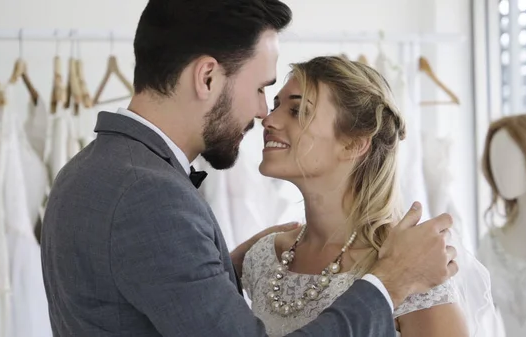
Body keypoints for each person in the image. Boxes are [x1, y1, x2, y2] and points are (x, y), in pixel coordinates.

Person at [40, 1, 458, 336]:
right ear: (207, 78)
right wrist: (390, 281)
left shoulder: (85, 171)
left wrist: (222, 262)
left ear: (355, 142)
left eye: (295, 109)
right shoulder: (150, 196)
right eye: (262, 90)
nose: (264, 114)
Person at [242, 56, 496, 337]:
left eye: (297, 110)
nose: (268, 119)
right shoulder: (263, 258)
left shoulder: (413, 269)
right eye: (276, 106)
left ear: (353, 143)